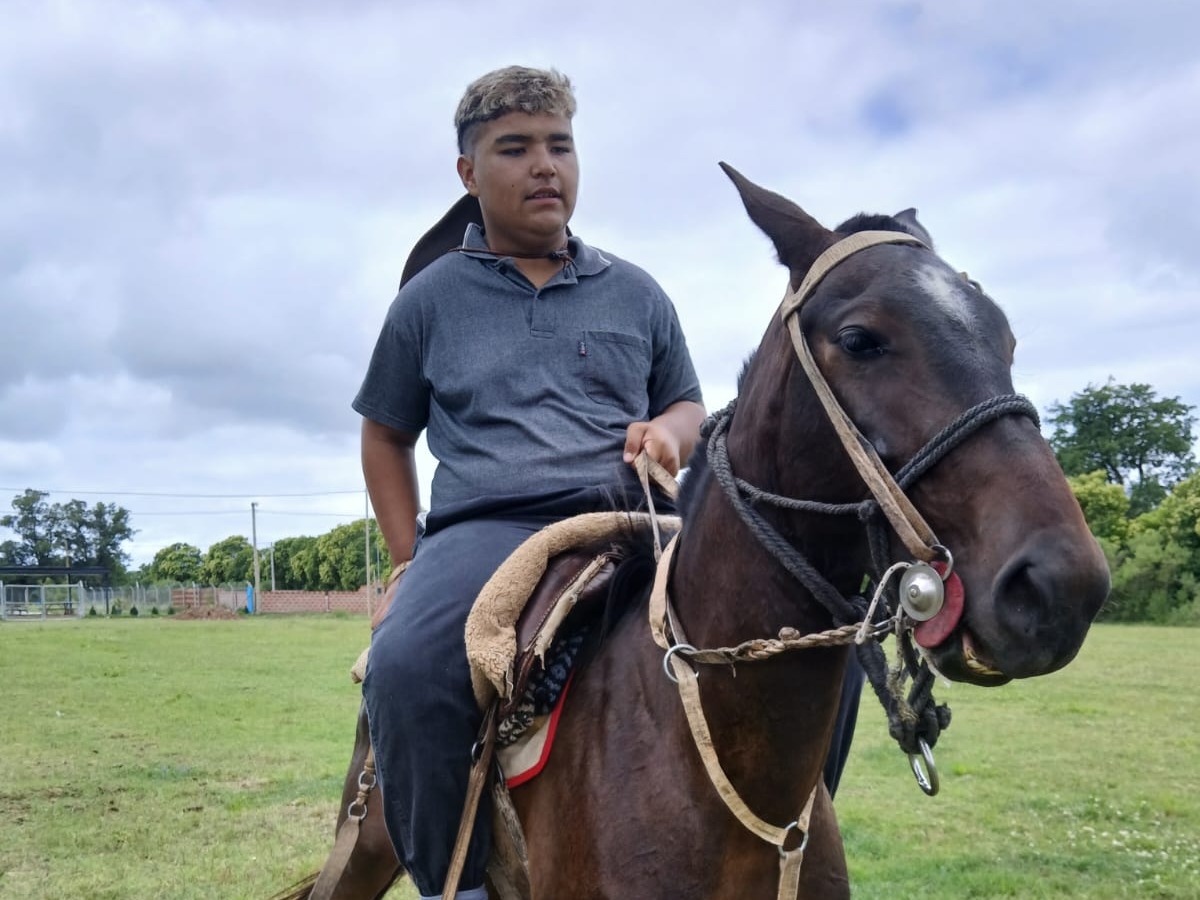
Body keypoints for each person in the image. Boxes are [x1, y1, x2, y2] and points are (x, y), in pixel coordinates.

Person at [354, 66, 706, 900]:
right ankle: (456, 885)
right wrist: (406, 559)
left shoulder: (637, 291)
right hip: (487, 527)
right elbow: (385, 435)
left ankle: (784, 846)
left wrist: (670, 432)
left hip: (636, 515)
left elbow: (686, 402)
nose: (545, 165)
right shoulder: (428, 301)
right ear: (468, 173)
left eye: (560, 145)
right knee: (405, 669)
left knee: (804, 629)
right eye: (514, 148)